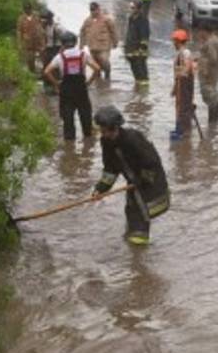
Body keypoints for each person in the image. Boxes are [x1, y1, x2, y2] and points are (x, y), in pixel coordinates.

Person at [91, 106, 170, 246]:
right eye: (101, 131)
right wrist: (101, 189)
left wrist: (143, 180)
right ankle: (134, 249)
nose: (102, 134)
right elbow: (110, 168)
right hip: (133, 182)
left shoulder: (133, 139)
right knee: (132, 211)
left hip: (150, 181)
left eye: (104, 130)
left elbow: (151, 161)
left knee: (141, 212)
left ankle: (138, 256)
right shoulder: (106, 142)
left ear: (114, 127)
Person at [43, 31, 100, 142]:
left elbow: (46, 72)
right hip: (81, 89)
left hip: (66, 90)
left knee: (67, 117)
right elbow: (97, 69)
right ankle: (88, 140)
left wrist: (56, 84)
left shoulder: (59, 57)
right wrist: (89, 82)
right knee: (85, 114)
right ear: (75, 42)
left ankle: (69, 146)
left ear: (63, 44)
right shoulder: (83, 54)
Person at [80, 1, 118, 81]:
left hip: (104, 46)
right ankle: (98, 79)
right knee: (95, 65)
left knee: (104, 60)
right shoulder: (87, 20)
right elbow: (82, 32)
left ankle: (107, 75)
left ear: (98, 9)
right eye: (91, 10)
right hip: (92, 47)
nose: (93, 12)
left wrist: (115, 42)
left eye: (94, 10)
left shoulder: (106, 19)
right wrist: (81, 44)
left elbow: (113, 31)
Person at [170, 29, 195, 140]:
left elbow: (186, 70)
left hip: (184, 84)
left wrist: (180, 85)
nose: (173, 43)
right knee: (180, 107)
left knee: (184, 108)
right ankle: (180, 129)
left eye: (174, 41)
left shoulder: (185, 53)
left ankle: (184, 132)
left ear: (178, 41)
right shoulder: (180, 53)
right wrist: (175, 87)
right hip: (181, 84)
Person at [194, 25, 218, 123]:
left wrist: (205, 68)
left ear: (204, 31)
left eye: (200, 31)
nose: (198, 34)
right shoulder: (216, 40)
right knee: (212, 95)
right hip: (214, 73)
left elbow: (212, 58)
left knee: (209, 95)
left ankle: (212, 121)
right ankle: (214, 124)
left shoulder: (210, 42)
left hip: (209, 74)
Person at [123, 0, 150, 87]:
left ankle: (144, 95)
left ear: (138, 9)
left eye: (132, 8)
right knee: (135, 71)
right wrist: (126, 48)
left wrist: (141, 49)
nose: (130, 9)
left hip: (139, 51)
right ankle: (137, 90)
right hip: (131, 49)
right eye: (130, 7)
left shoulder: (143, 19)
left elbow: (145, 36)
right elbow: (129, 33)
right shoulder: (131, 18)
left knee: (142, 72)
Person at [15, 2, 46, 74]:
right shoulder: (21, 18)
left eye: (29, 9)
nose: (27, 10)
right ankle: (32, 73)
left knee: (43, 57)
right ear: (24, 9)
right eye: (26, 9)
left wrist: (43, 40)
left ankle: (43, 73)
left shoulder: (37, 16)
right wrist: (19, 42)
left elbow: (41, 28)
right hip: (28, 42)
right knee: (30, 59)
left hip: (38, 40)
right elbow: (19, 31)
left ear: (31, 9)